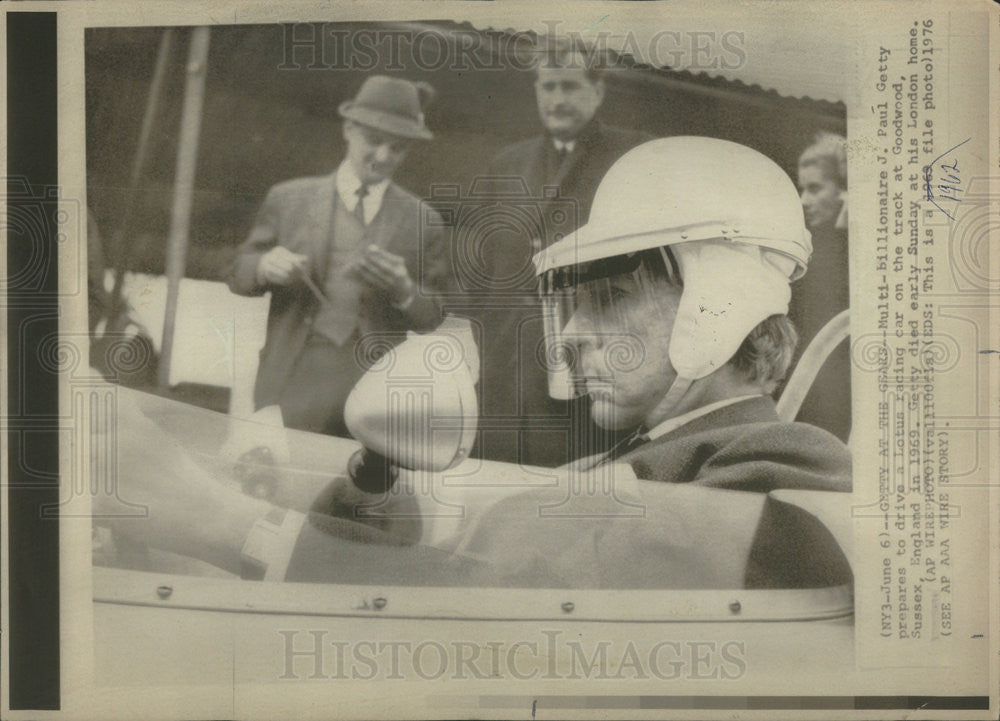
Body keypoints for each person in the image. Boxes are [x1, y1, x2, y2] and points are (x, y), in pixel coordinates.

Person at [101, 137, 852, 590]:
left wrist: (230, 526)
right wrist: (373, 483)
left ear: (720, 304)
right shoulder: (653, 459)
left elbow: (526, 610)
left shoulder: (783, 476)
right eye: (575, 306)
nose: (577, 336)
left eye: (613, 298)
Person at [228, 75, 450, 437]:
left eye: (397, 149)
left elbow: (435, 315)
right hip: (293, 376)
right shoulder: (289, 199)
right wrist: (266, 266)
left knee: (354, 490)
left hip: (375, 390)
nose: (383, 157)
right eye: (374, 141)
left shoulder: (424, 221)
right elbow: (237, 271)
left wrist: (405, 289)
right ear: (349, 129)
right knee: (280, 485)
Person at [466, 46, 652, 468]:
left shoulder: (632, 157)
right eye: (547, 87)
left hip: (585, 361)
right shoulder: (506, 165)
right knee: (497, 475)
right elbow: (480, 274)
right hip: (505, 365)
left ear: (598, 91)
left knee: (571, 480)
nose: (557, 99)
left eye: (570, 86)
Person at [789, 131, 851, 442]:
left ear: (845, 191)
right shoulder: (814, 247)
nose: (804, 201)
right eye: (803, 189)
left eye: (815, 189)